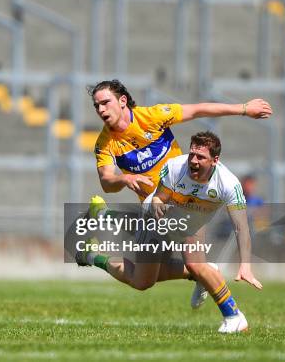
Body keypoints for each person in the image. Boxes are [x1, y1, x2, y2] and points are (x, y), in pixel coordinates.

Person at [85, 79, 271, 309]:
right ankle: (95, 252)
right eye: (97, 106)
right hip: (155, 212)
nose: (101, 109)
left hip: (186, 200)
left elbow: (197, 109)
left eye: (105, 103)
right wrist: (125, 178)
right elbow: (106, 182)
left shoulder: (153, 116)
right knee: (142, 280)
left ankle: (230, 312)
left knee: (189, 261)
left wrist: (243, 109)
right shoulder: (105, 143)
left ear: (122, 101)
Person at [79, 131, 262, 333]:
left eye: (200, 157)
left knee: (195, 265)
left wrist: (245, 265)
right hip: (157, 217)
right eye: (192, 153)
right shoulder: (176, 167)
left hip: (190, 222)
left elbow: (241, 227)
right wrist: (158, 205)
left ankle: (234, 315)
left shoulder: (228, 183)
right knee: (142, 281)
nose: (193, 160)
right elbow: (159, 198)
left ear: (215, 160)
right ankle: (93, 254)